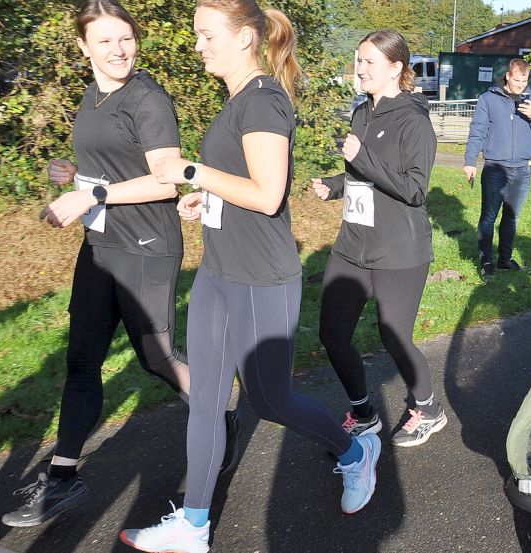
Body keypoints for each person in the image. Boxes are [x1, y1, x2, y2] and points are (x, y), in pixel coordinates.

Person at [120, 2, 380, 550]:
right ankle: (193, 524)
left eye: (205, 35)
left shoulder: (263, 101)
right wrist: (205, 195)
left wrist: (191, 170)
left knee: (270, 400)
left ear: (243, 40)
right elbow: (239, 182)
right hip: (218, 272)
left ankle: (356, 452)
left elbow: (268, 195)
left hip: (262, 279)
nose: (197, 46)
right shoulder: (236, 99)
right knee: (208, 400)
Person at [2, 0, 239, 529]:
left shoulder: (147, 99)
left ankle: (221, 416)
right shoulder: (93, 95)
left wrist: (93, 195)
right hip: (101, 247)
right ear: (83, 47)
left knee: (157, 358)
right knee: (81, 361)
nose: (118, 50)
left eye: (125, 38)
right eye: (105, 41)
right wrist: (72, 174)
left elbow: (167, 177)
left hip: (148, 248)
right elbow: (106, 161)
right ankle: (62, 479)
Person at [310, 30, 444, 448]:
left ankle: (428, 408)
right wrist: (335, 185)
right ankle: (364, 412)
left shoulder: (413, 120)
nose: (360, 68)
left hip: (399, 249)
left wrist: (359, 158)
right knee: (332, 333)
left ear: (395, 68)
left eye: (369, 61)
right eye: (358, 60)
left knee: (394, 336)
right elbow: (362, 178)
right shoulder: (361, 113)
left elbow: (415, 189)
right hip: (354, 244)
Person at [463, 59, 531, 278]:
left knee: (511, 217)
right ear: (508, 77)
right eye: (517, 80)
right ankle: (485, 260)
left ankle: (504, 258)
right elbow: (478, 131)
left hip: (521, 169)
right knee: (489, 216)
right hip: (495, 167)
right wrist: (470, 161)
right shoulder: (488, 99)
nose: (521, 85)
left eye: (524, 80)